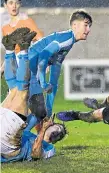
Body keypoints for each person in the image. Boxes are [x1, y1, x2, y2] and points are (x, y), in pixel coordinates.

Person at [1, 28, 66, 163]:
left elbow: (36, 155)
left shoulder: (49, 148)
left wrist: (42, 130)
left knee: (22, 89)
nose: (58, 132)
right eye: (58, 128)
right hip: (7, 136)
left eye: (59, 134)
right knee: (15, 88)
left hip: (9, 146)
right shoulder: (31, 133)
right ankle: (9, 50)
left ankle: (23, 48)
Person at [25, 10, 93, 132]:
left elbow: (54, 82)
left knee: (38, 113)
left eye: (90, 26)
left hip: (29, 69)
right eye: (86, 25)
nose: (88, 30)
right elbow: (43, 56)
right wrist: (43, 81)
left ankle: (27, 140)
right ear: (75, 25)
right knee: (29, 111)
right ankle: (18, 141)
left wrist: (49, 110)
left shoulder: (68, 43)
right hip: (25, 67)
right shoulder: (66, 38)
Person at [1, 0, 43, 76]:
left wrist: (43, 60)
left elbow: (40, 41)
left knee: (22, 88)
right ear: (5, 5)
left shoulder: (27, 22)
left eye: (17, 3)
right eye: (11, 3)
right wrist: (2, 68)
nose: (14, 6)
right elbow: (11, 51)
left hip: (26, 62)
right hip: (13, 65)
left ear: (20, 5)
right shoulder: (5, 28)